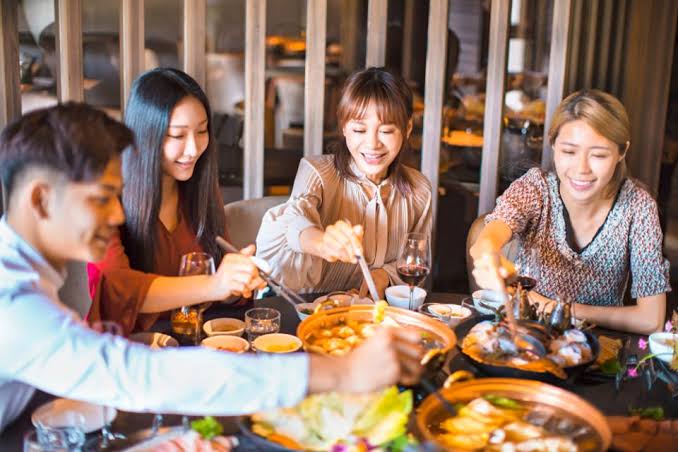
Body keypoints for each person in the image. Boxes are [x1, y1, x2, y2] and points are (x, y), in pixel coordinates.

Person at [0, 103, 424, 433]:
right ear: (40, 200)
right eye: (101, 197)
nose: (116, 214)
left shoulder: (24, 273)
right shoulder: (13, 304)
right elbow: (141, 375)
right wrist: (343, 371)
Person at [470, 89, 671, 334]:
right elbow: (490, 234)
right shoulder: (535, 189)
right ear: (552, 144)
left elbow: (651, 320)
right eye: (569, 152)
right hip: (526, 335)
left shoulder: (638, 207)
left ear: (622, 152)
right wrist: (487, 253)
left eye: (598, 155)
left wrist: (556, 308)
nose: (581, 168)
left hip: (597, 345)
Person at [87, 68, 253, 335]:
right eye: (177, 135)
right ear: (144, 136)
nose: (193, 149)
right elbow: (120, 288)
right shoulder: (103, 196)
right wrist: (214, 284)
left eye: (202, 131)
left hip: (191, 345)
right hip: (124, 352)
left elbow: (219, 287)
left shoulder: (198, 188)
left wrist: (233, 286)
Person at [256, 67, 432, 297]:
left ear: (407, 128)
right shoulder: (317, 172)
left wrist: (384, 275)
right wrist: (322, 242)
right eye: (359, 129)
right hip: (307, 307)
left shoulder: (419, 189)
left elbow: (416, 263)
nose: (372, 144)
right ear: (344, 127)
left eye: (386, 131)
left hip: (372, 317)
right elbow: (293, 220)